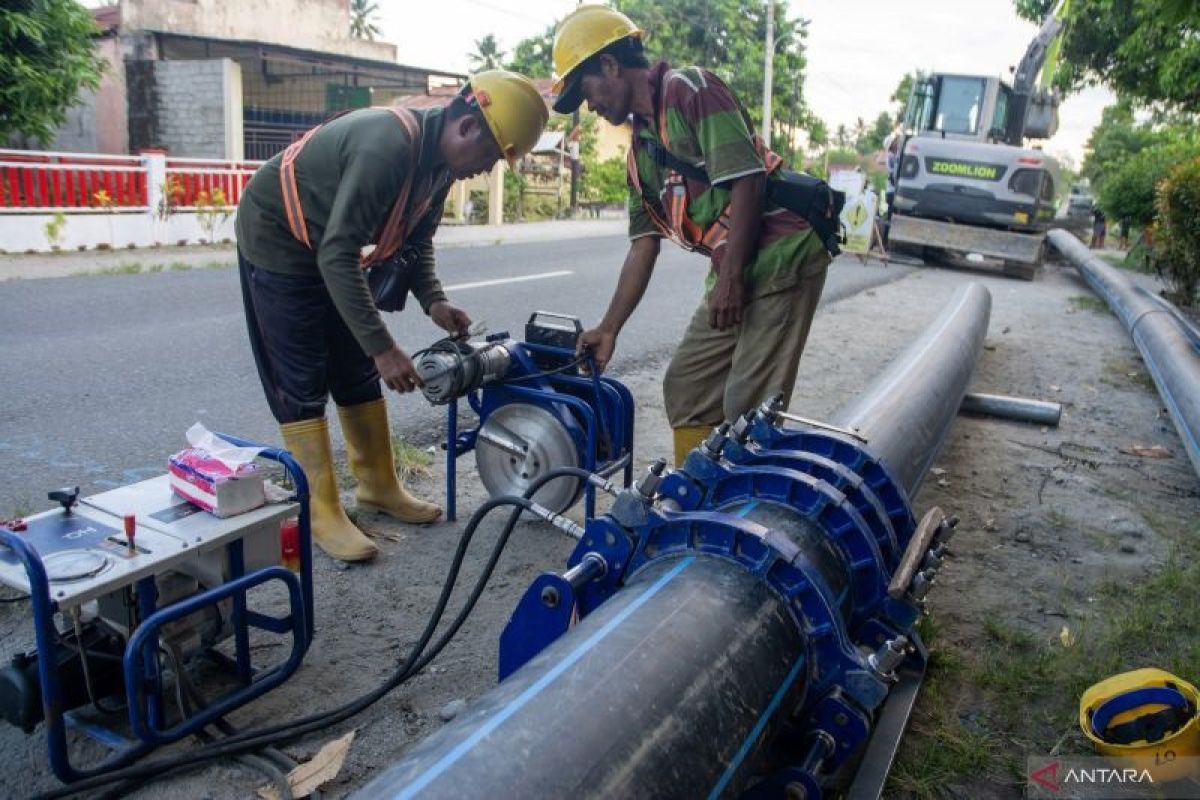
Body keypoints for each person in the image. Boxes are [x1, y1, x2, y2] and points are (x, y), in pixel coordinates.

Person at [235, 71, 548, 562]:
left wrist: (435, 301)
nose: (485, 169)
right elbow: (338, 254)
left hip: (327, 246)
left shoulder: (440, 166)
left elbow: (416, 240)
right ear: (466, 126)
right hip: (278, 236)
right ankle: (320, 511)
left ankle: (378, 486)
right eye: (490, 155)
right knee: (302, 378)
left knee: (355, 367)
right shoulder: (388, 145)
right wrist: (384, 347)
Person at [551, 5, 832, 465]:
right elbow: (643, 245)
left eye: (585, 91)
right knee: (688, 386)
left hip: (785, 250)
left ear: (609, 64)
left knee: (748, 406)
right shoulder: (641, 153)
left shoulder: (689, 90)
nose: (591, 107)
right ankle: (698, 501)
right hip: (736, 262)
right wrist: (608, 329)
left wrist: (731, 280)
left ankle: (736, 517)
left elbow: (748, 180)